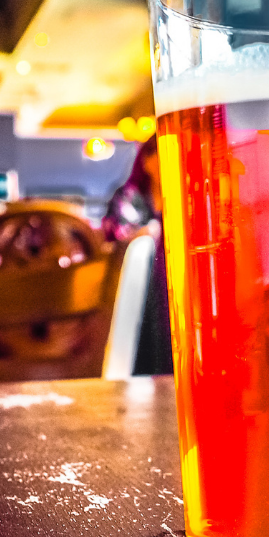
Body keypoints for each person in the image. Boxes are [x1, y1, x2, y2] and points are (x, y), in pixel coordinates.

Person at [103, 136, 173, 376]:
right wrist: (142, 235)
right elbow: (114, 235)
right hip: (135, 286)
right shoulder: (129, 196)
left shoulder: (180, 196)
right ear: (147, 160)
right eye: (160, 153)